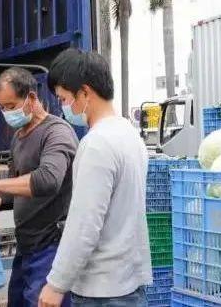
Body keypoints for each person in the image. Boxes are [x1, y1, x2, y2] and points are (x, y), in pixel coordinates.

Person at [39, 49, 152, 307]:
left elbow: (84, 225)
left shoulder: (96, 144)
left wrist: (56, 284)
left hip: (101, 291)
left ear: (85, 93)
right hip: (129, 284)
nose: (63, 107)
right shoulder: (130, 135)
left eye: (64, 98)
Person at [0, 67, 78, 307]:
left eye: (11, 106)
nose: (7, 113)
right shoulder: (18, 138)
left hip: (51, 247)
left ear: (31, 97)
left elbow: (48, 180)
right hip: (26, 247)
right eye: (2, 108)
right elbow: (10, 195)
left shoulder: (56, 132)